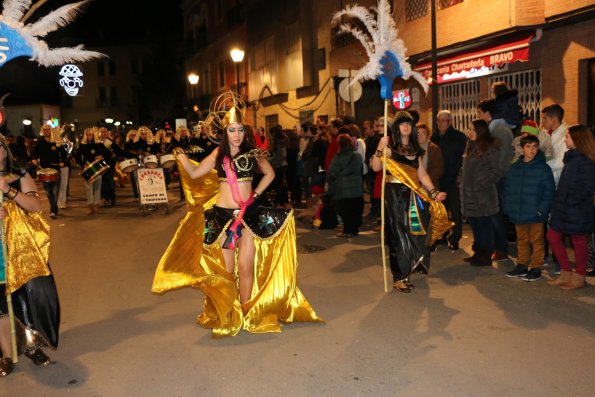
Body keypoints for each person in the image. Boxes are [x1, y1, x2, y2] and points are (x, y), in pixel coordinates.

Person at [152, 101, 321, 336]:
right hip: (223, 218)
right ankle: (228, 314)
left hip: (247, 216)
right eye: (232, 130)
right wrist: (179, 155)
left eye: (241, 129)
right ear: (225, 132)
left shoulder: (253, 153)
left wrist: (256, 194)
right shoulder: (217, 154)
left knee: (246, 267)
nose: (237, 134)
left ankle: (245, 314)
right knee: (226, 271)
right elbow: (194, 173)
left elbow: (270, 174)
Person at [0, 134, 60, 376]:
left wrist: (8, 191)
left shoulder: (19, 175)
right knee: (0, 304)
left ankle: (32, 345)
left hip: (20, 250)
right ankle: (6, 353)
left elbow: (35, 207)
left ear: (5, 151)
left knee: (25, 298)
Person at [371, 111, 448, 292]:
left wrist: (434, 192)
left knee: (418, 232)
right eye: (402, 123)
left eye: (409, 123)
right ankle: (399, 277)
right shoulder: (389, 148)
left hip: (414, 197)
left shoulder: (415, 150)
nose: (406, 126)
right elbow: (375, 167)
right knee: (398, 236)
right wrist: (380, 148)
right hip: (396, 197)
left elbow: (422, 174)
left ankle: (413, 263)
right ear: (396, 128)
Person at [546, 124, 595, 290]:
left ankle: (579, 277)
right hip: (563, 208)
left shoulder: (586, 161)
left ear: (577, 139)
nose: (565, 139)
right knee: (552, 237)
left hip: (577, 209)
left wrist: (571, 201)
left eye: (567, 136)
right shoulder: (571, 158)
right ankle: (566, 272)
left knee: (578, 242)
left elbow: (588, 188)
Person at [503, 134, 555, 281]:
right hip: (519, 211)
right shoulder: (515, 168)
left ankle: (536, 267)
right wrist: (508, 207)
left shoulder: (543, 169)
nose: (532, 150)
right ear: (522, 148)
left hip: (535, 212)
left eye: (535, 147)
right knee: (521, 239)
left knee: (537, 240)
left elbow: (549, 191)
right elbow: (508, 189)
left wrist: (542, 209)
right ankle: (522, 264)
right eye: (528, 146)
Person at [460, 119, 502, 267]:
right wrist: (461, 180)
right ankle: (478, 253)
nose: (469, 132)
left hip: (483, 196)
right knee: (476, 226)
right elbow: (465, 169)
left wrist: (480, 184)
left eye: (472, 129)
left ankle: (485, 255)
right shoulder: (470, 146)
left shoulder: (490, 148)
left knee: (484, 225)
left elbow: (496, 171)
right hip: (470, 194)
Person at [477, 99, 514, 261]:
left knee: (495, 214)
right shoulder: (492, 130)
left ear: (487, 114)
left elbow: (501, 158)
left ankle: (501, 249)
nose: (478, 116)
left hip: (497, 179)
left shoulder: (499, 131)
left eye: (479, 113)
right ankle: (494, 246)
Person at [430, 110, 467, 251]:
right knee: (440, 211)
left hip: (453, 180)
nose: (440, 123)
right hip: (438, 180)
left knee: (455, 211)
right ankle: (442, 236)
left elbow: (463, 158)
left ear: (450, 122)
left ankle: (455, 238)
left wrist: (458, 176)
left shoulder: (458, 137)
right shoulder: (434, 137)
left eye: (444, 120)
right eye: (438, 121)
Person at [328, 133, 364, 238]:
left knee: (346, 211)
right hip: (357, 189)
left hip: (343, 189)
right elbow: (360, 170)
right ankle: (354, 230)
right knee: (355, 210)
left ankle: (348, 231)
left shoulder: (338, 157)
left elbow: (332, 172)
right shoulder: (357, 156)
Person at [31, 124, 67, 219]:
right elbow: (34, 154)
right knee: (48, 192)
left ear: (51, 131)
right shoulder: (40, 142)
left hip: (55, 169)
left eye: (48, 129)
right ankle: (54, 208)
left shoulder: (56, 141)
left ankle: (53, 210)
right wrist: (34, 159)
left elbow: (64, 153)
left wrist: (62, 162)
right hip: (44, 170)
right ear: (43, 131)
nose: (47, 131)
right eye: (45, 130)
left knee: (55, 192)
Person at [75, 128, 110, 215]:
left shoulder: (98, 144)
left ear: (93, 135)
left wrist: (101, 156)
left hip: (97, 167)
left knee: (97, 187)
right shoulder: (83, 145)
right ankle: (90, 206)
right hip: (87, 168)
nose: (88, 136)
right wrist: (83, 164)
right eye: (87, 135)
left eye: (90, 135)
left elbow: (107, 153)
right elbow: (77, 156)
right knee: (88, 188)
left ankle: (97, 205)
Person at [539, 104, 568, 186]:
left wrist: (537, 164)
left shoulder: (565, 135)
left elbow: (561, 162)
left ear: (554, 119)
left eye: (545, 118)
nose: (542, 121)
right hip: (545, 178)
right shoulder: (544, 133)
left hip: (558, 181)